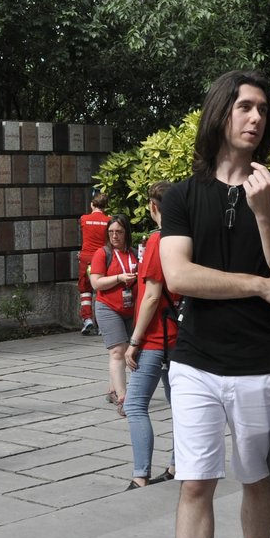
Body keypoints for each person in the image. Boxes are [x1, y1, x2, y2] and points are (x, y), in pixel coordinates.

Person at [142, 70, 270, 538]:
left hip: (260, 364)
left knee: (256, 477)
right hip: (195, 363)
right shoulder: (184, 195)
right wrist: (255, 287)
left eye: (262, 109)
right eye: (244, 107)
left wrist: (263, 213)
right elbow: (179, 276)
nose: (255, 118)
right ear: (220, 114)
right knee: (195, 484)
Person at [122, 181, 179, 489]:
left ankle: (140, 475)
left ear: (154, 207)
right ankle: (176, 465)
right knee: (178, 403)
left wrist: (134, 342)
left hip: (156, 337)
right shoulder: (184, 238)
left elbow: (152, 296)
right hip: (179, 334)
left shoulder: (158, 241)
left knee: (134, 404)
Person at [91, 215, 138, 410]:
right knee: (118, 351)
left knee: (131, 352)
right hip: (108, 307)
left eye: (119, 232)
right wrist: (119, 278)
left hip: (131, 308)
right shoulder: (102, 254)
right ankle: (123, 398)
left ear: (126, 232)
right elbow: (96, 283)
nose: (114, 236)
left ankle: (112, 389)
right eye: (111, 232)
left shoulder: (135, 253)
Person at [77, 192, 110, 335]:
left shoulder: (84, 219)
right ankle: (102, 325)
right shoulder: (109, 220)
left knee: (85, 289)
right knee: (101, 289)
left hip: (85, 257)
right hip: (102, 257)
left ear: (92, 204)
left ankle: (87, 319)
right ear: (106, 206)